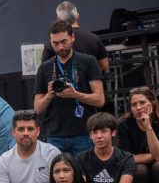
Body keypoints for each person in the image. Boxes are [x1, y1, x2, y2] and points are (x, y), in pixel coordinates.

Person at [34, 20, 105, 155]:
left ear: (72, 37)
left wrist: (76, 94)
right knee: (56, 169)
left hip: (83, 132)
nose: (60, 47)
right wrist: (49, 94)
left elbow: (100, 100)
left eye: (64, 42)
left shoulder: (88, 61)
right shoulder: (44, 67)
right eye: (55, 43)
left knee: (84, 168)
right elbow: (37, 108)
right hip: (55, 134)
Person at [0, 111, 61, 183]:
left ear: (38, 131)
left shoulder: (52, 153)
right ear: (13, 132)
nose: (26, 133)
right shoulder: (3, 161)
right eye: (21, 129)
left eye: (30, 129)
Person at [41, 1, 109, 72]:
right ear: (77, 15)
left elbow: (45, 71)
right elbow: (104, 65)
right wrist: (90, 75)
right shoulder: (94, 38)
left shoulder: (52, 43)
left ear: (58, 19)